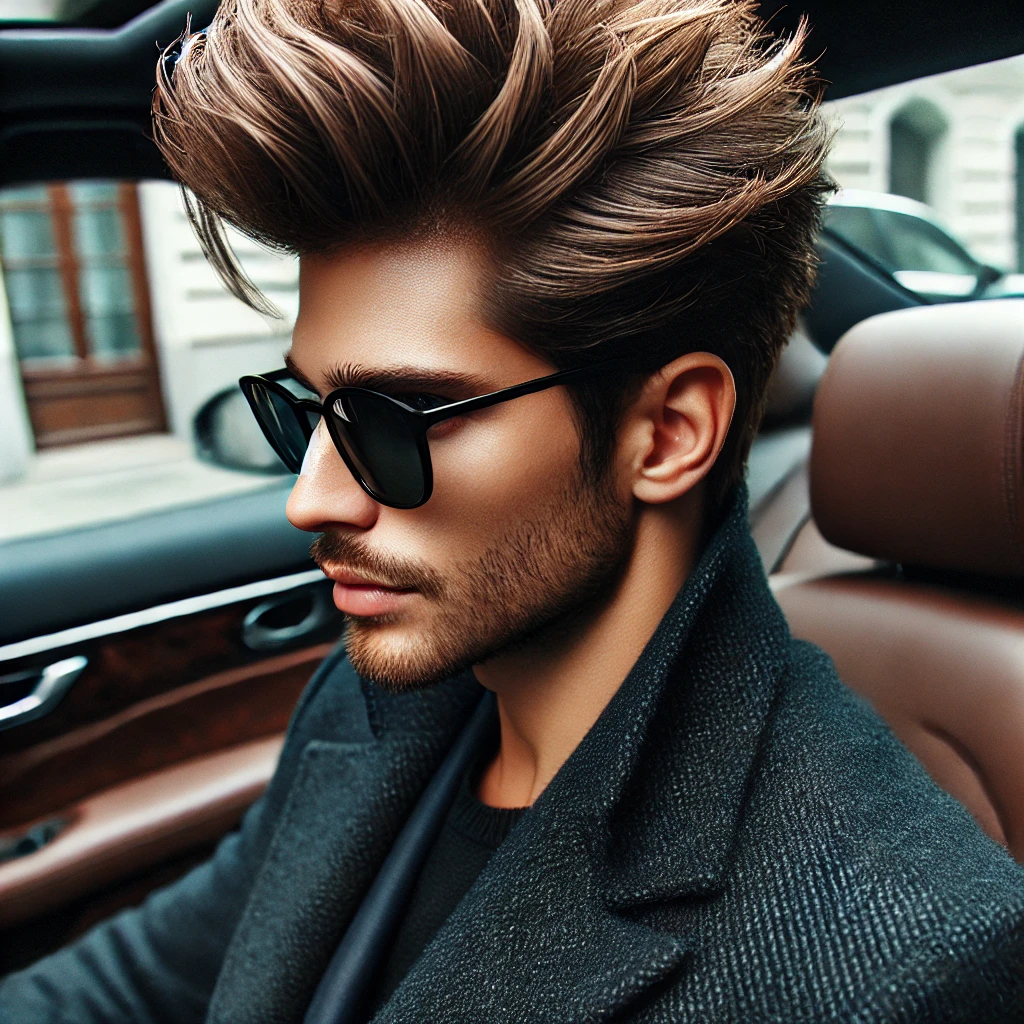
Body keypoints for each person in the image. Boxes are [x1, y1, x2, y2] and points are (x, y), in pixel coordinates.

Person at [3, 0, 1023, 1020]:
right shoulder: (377, 703)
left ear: (667, 433)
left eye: (396, 417)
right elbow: (143, 979)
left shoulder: (900, 961)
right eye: (306, 407)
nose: (310, 498)